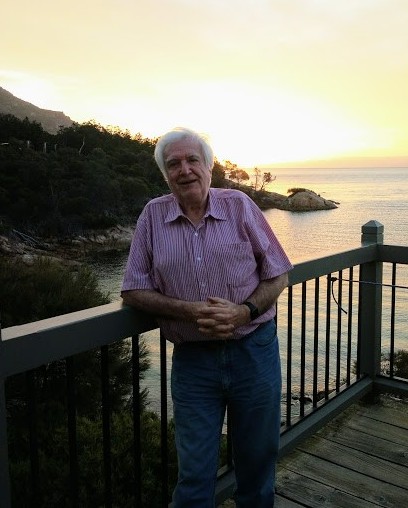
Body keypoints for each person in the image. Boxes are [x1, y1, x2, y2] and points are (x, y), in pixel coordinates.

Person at [121, 127, 292, 507]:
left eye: (192, 160)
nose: (184, 170)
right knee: (195, 472)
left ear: (209, 166)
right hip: (194, 361)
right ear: (165, 174)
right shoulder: (153, 216)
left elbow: (278, 272)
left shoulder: (239, 206)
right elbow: (132, 289)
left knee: (257, 462)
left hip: (253, 351)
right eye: (174, 164)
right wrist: (189, 310)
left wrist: (244, 311)